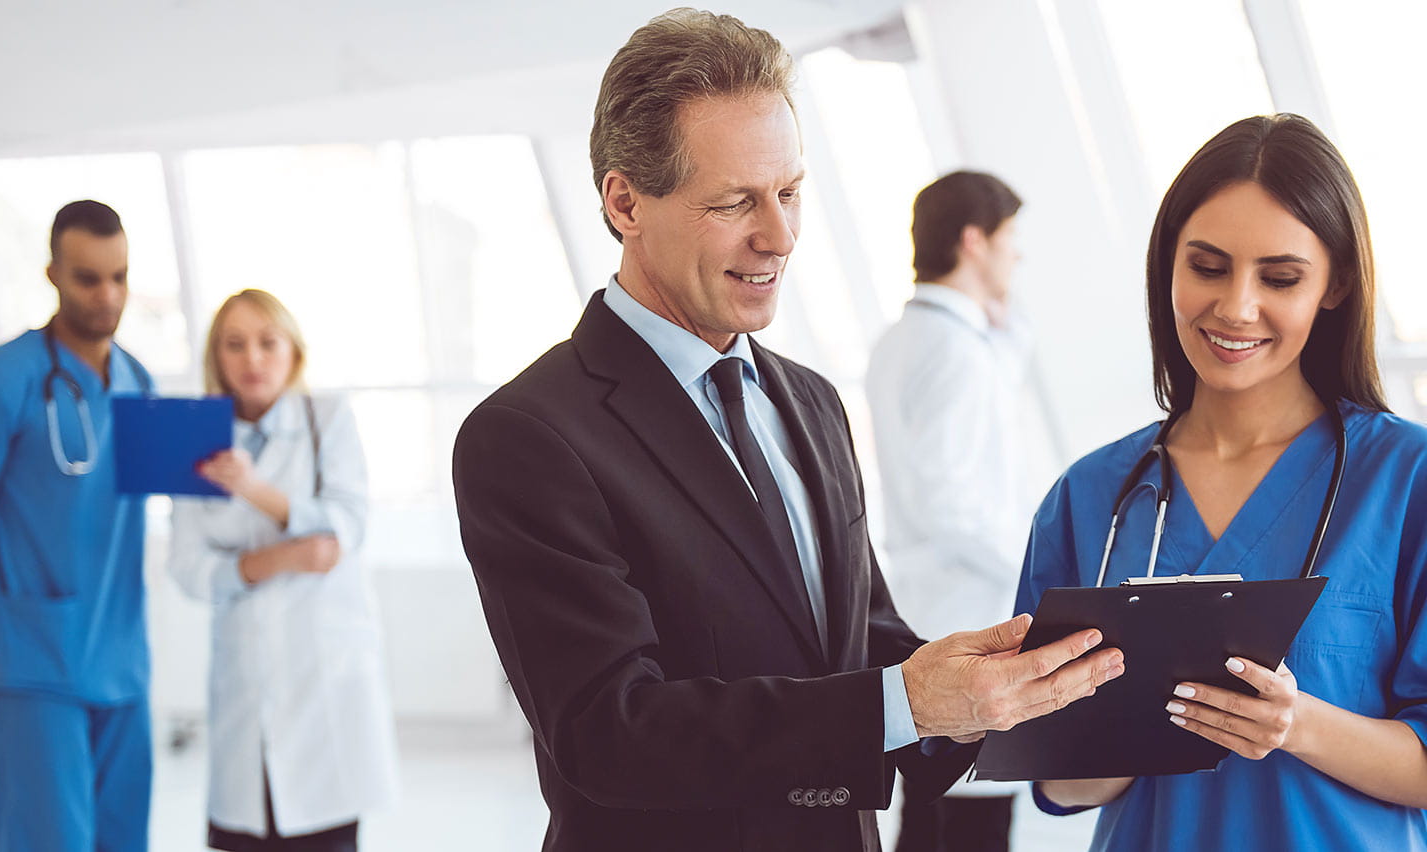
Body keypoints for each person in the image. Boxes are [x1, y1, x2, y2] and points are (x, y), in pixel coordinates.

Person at [450, 10, 1124, 852]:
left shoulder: (808, 401)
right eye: (736, 202)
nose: (781, 236)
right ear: (625, 201)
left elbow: (859, 644)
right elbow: (608, 731)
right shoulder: (529, 435)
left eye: (792, 192)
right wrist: (904, 702)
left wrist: (1008, 692)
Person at [1019, 114, 1427, 849]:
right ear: (1168, 266)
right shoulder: (1090, 496)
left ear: (1334, 285)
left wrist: (1295, 725)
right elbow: (1057, 779)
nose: (1236, 307)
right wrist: (1118, 720)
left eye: (1280, 278)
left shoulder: (1407, 481)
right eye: (1207, 267)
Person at [0, 200, 154, 852]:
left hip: (122, 665)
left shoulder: (138, 380)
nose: (107, 294)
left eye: (120, 276)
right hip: (33, 670)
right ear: (52, 273)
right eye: (88, 277)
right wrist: (12, 616)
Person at [168, 289, 400, 852]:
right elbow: (188, 568)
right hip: (245, 684)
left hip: (324, 682)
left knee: (324, 833)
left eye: (267, 343)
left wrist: (251, 489)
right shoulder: (195, 434)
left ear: (293, 352)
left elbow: (345, 528)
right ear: (215, 357)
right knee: (244, 832)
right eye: (235, 344)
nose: (253, 359)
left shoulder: (329, 419)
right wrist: (278, 559)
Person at [866, 171, 1031, 852]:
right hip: (972, 614)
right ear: (973, 241)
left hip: (923, 607)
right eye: (1010, 242)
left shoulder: (905, 341)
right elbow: (950, 498)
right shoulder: (958, 353)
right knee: (971, 826)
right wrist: (1038, 567)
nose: (1018, 259)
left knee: (930, 816)